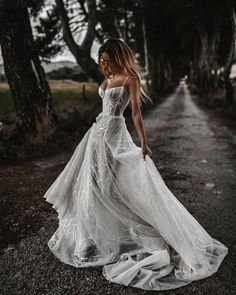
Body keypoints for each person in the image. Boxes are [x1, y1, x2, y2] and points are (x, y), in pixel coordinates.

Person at [43, 38, 228, 291]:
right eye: (102, 61)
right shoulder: (107, 78)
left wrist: (143, 143)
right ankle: (94, 237)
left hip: (116, 134)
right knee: (92, 184)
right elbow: (104, 105)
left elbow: (136, 113)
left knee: (115, 188)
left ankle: (141, 233)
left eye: (108, 60)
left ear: (119, 57)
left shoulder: (131, 79)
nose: (104, 65)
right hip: (97, 134)